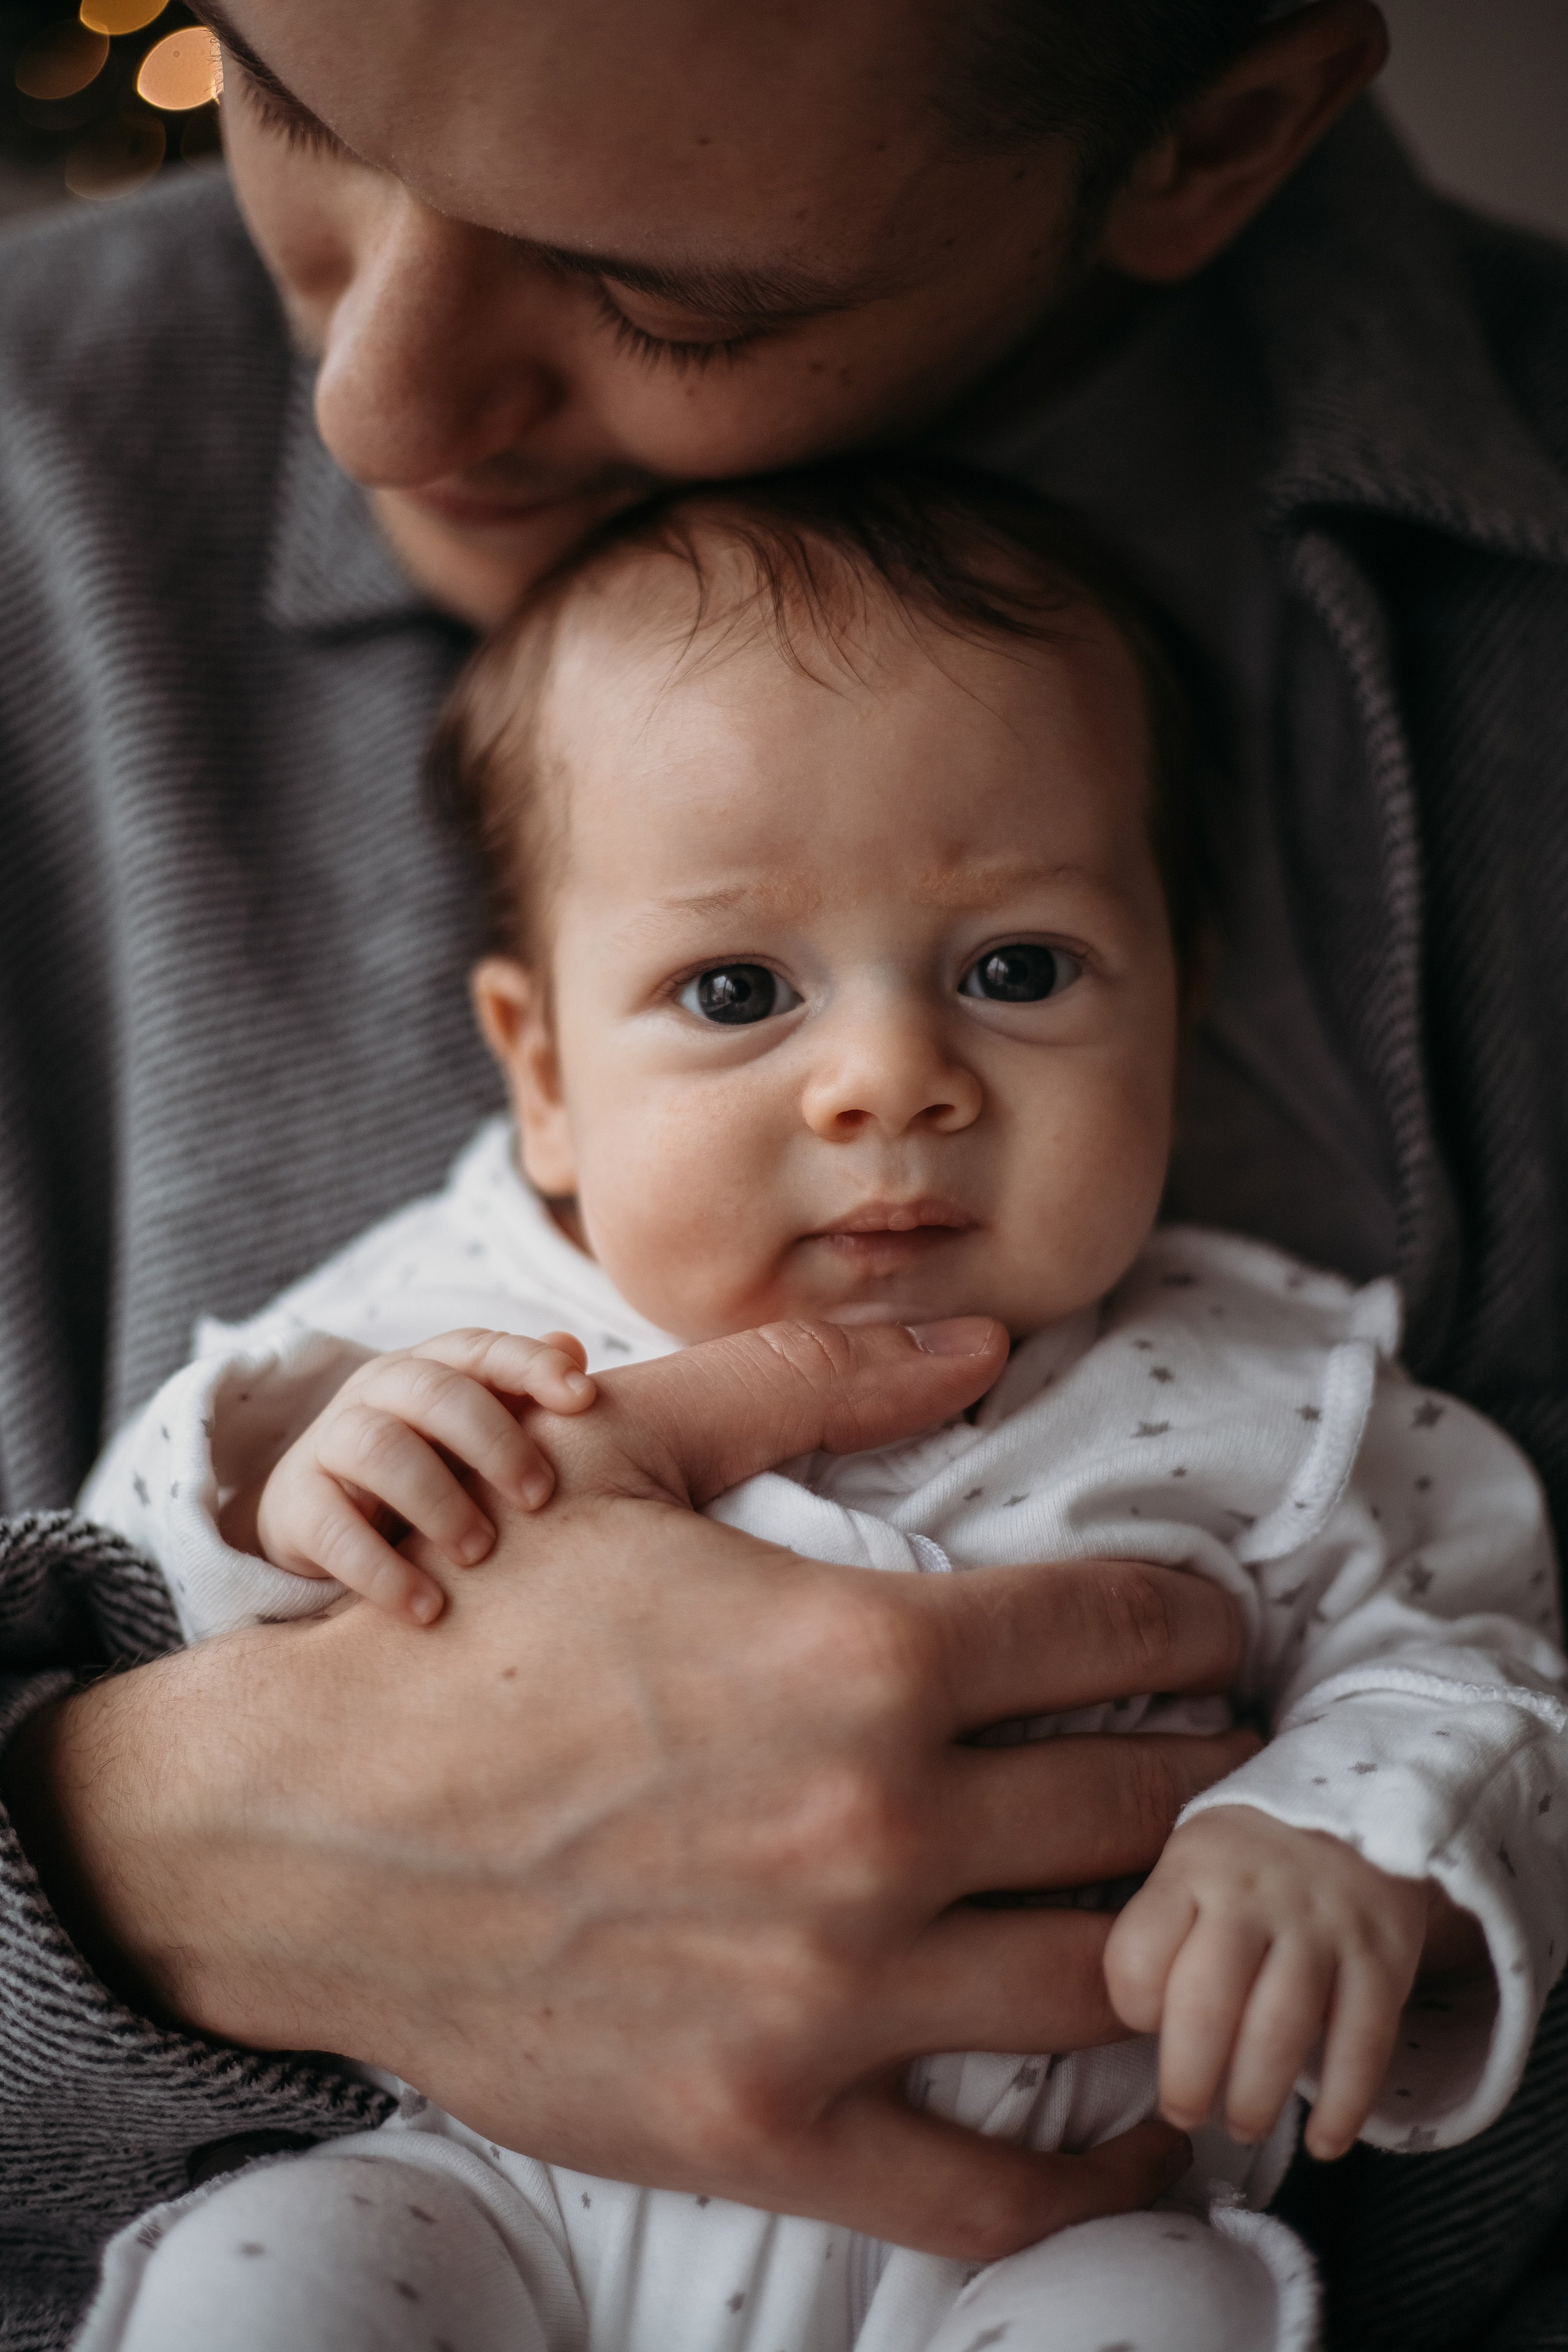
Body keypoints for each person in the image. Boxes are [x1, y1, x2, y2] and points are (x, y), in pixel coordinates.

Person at [2, 1, 1567, 2343]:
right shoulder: (452, 1303)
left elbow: (1468, 1672)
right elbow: (218, 1478)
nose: (369, 408)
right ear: (530, 1067)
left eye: (676, 296)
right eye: (280, 102)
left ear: (1217, 133)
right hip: (478, 2228)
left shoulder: (1277, 1393)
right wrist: (149, 1851)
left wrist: (1353, 1865)